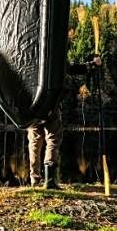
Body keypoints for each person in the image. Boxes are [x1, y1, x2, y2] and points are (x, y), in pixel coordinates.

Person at [27, 55, 101, 188]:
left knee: (34, 141)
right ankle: (49, 180)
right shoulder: (52, 55)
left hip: (32, 105)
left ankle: (34, 180)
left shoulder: (28, 56)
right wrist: (93, 64)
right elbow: (71, 68)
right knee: (53, 139)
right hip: (50, 105)